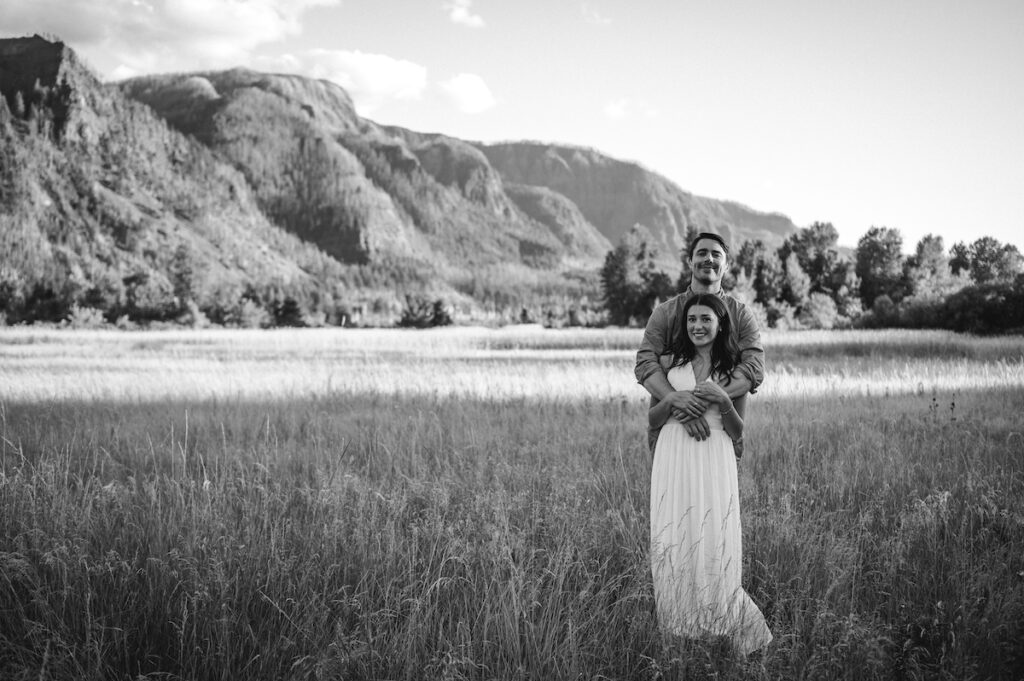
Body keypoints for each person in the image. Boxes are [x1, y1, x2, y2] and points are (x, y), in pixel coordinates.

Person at [648, 293, 772, 654]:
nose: (698, 326)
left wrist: (721, 398)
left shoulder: (733, 370)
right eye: (691, 320)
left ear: (720, 324)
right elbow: (652, 420)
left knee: (714, 539)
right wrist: (672, 401)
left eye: (705, 319)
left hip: (714, 457)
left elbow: (737, 430)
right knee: (675, 538)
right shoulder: (670, 364)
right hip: (673, 457)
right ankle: (679, 632)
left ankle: (730, 628)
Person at [635, 232, 765, 452]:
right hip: (669, 430)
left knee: (718, 486)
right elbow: (646, 363)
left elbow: (753, 368)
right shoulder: (665, 313)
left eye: (716, 254)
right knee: (669, 486)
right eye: (702, 253)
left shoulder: (741, 315)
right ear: (689, 261)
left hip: (721, 433)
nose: (709, 259)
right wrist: (675, 400)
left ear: (726, 264)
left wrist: (708, 399)